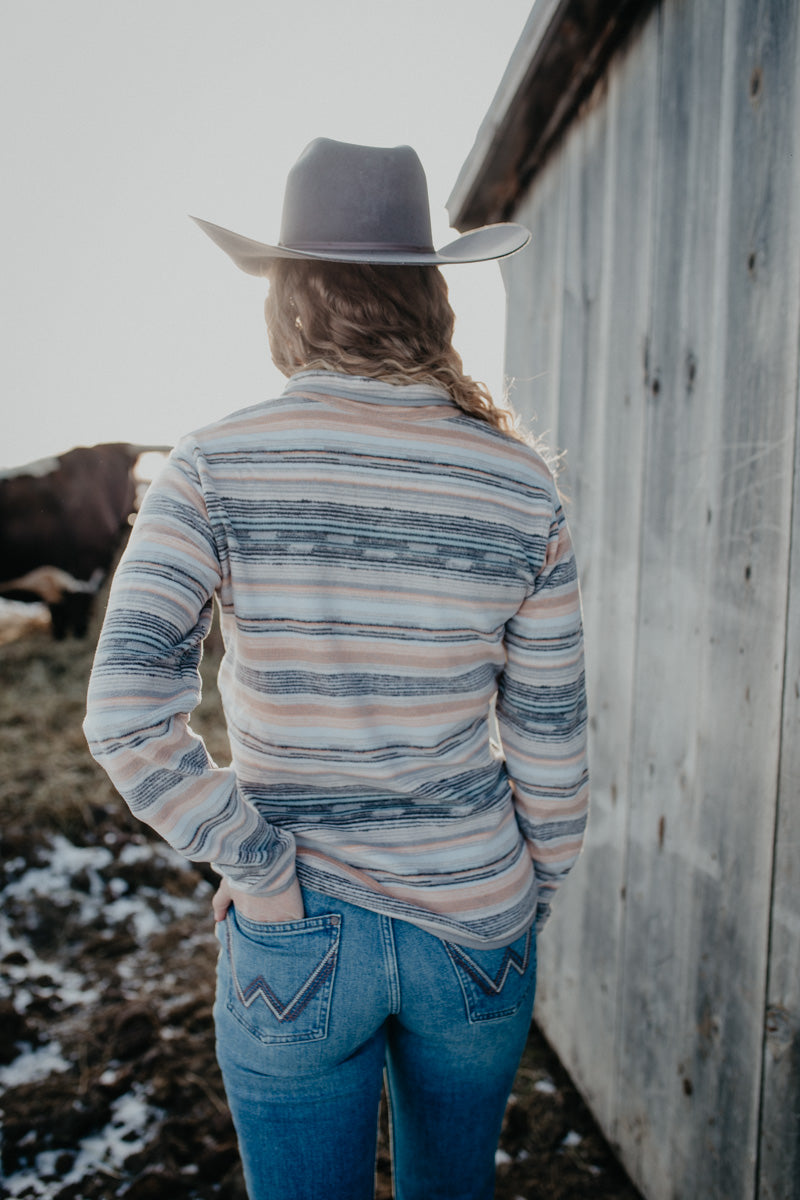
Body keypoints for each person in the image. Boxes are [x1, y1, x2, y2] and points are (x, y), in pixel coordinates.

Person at [84, 138, 589, 1200]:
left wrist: (256, 867)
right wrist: (515, 895)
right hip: (477, 925)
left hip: (296, 931)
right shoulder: (519, 486)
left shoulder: (213, 466)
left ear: (286, 298)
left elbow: (127, 718)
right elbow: (550, 749)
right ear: (429, 300)